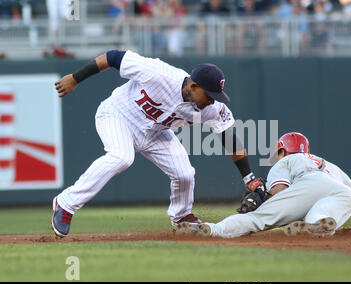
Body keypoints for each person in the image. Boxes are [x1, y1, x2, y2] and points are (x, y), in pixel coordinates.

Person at [51, 50, 265, 237]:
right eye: (209, 94)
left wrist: (249, 178)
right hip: (118, 116)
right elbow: (113, 57)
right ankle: (66, 204)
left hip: (155, 132)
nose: (212, 100)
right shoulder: (158, 73)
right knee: (121, 158)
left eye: (215, 95)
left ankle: (181, 218)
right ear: (193, 85)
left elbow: (229, 137)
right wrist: (75, 78)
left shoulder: (212, 108)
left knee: (185, 173)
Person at [179, 132, 351, 238]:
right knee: (318, 215)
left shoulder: (285, 161)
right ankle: (316, 225)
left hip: (308, 183)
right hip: (343, 193)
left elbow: (279, 192)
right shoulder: (332, 167)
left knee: (256, 219)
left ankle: (213, 229)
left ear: (282, 151)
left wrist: (262, 200)